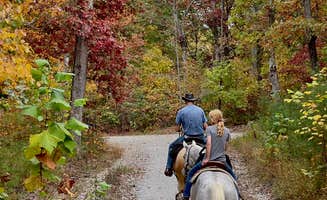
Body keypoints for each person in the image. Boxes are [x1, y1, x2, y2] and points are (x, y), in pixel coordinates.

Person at [182, 109, 236, 200]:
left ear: (212, 118)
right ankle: (239, 195)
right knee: (234, 177)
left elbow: (209, 144)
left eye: (210, 117)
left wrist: (207, 158)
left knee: (191, 174)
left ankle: (186, 196)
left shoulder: (209, 129)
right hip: (222, 161)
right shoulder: (226, 130)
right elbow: (226, 148)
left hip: (209, 160)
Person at [164, 93, 208, 177]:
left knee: (171, 146)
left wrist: (181, 128)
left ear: (185, 101)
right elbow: (206, 126)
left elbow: (177, 129)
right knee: (211, 147)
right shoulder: (200, 110)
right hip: (200, 137)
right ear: (193, 101)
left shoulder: (181, 111)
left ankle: (168, 168)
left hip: (187, 138)